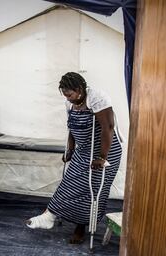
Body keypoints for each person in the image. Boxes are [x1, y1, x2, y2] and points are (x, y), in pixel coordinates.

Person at [25, 72, 122, 244]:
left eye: (70, 95)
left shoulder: (97, 99)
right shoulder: (69, 103)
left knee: (91, 189)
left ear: (79, 89)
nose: (68, 99)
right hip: (84, 149)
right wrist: (70, 149)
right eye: (65, 95)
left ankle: (80, 226)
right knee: (69, 182)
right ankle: (49, 215)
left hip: (106, 150)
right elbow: (72, 127)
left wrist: (101, 157)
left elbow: (108, 127)